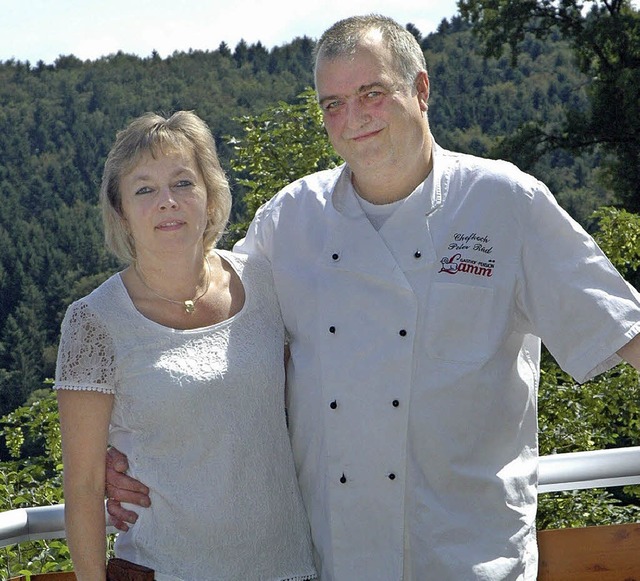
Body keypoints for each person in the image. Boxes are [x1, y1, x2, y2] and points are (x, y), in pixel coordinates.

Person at [105, 15, 640, 581]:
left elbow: (625, 331)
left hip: (469, 556)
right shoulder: (292, 221)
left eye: (372, 94)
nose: (353, 117)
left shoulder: (504, 203)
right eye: (333, 103)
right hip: (334, 559)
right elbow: (205, 344)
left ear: (422, 90)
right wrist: (131, 457)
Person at [54, 111, 317, 581]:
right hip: (163, 569)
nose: (167, 202)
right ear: (121, 213)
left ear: (210, 195)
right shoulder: (95, 321)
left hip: (289, 568)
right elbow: (85, 484)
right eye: (144, 189)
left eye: (183, 182)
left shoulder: (265, 284)